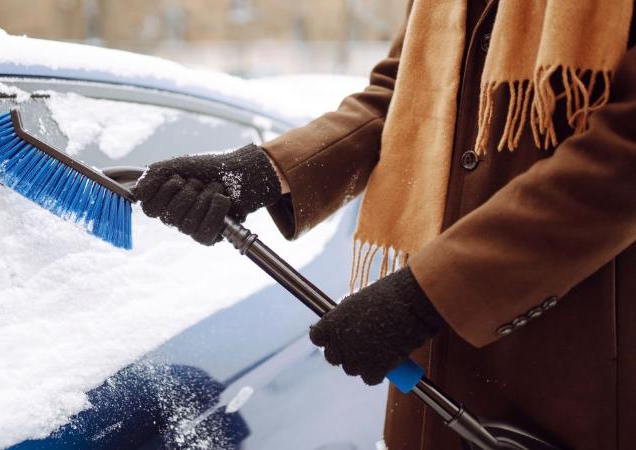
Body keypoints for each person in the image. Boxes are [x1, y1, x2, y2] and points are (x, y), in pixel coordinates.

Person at [132, 1, 636, 448]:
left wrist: (432, 294)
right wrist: (263, 172)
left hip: (574, 359)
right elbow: (400, 94)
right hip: (434, 370)